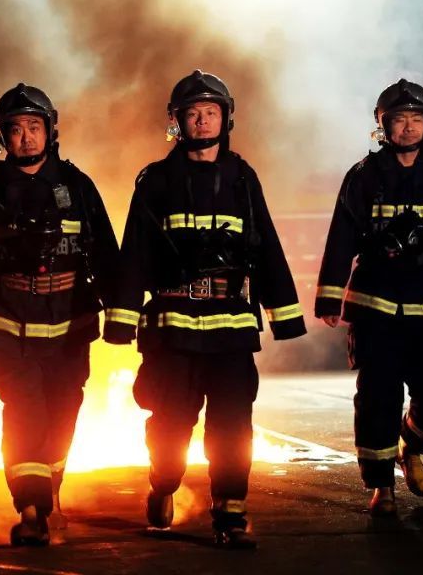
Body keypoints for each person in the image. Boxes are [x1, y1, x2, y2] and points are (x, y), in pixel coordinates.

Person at [108, 70, 306, 548]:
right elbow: (135, 252)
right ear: (176, 121)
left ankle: (230, 514)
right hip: (172, 331)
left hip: (231, 330)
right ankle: (163, 483)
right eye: (193, 113)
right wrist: (121, 319)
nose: (202, 121)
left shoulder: (243, 179)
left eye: (211, 112)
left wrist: (285, 315)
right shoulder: (155, 181)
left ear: (226, 118)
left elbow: (267, 248)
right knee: (171, 425)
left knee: (233, 424)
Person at [0, 83, 121, 546]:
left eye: (34, 126)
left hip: (70, 322)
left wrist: (122, 313)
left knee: (64, 409)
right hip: (9, 319)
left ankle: (50, 490)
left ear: (51, 131)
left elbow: (106, 254)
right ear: (2, 136)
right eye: (16, 129)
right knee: (24, 407)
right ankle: (31, 509)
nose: (26, 137)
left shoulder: (78, 186)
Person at [315, 79, 423, 516]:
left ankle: (412, 445)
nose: (408, 127)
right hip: (377, 307)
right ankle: (381, 486)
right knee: (378, 397)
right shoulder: (364, 176)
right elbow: (341, 236)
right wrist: (330, 297)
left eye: (416, 119)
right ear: (383, 126)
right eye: (399, 120)